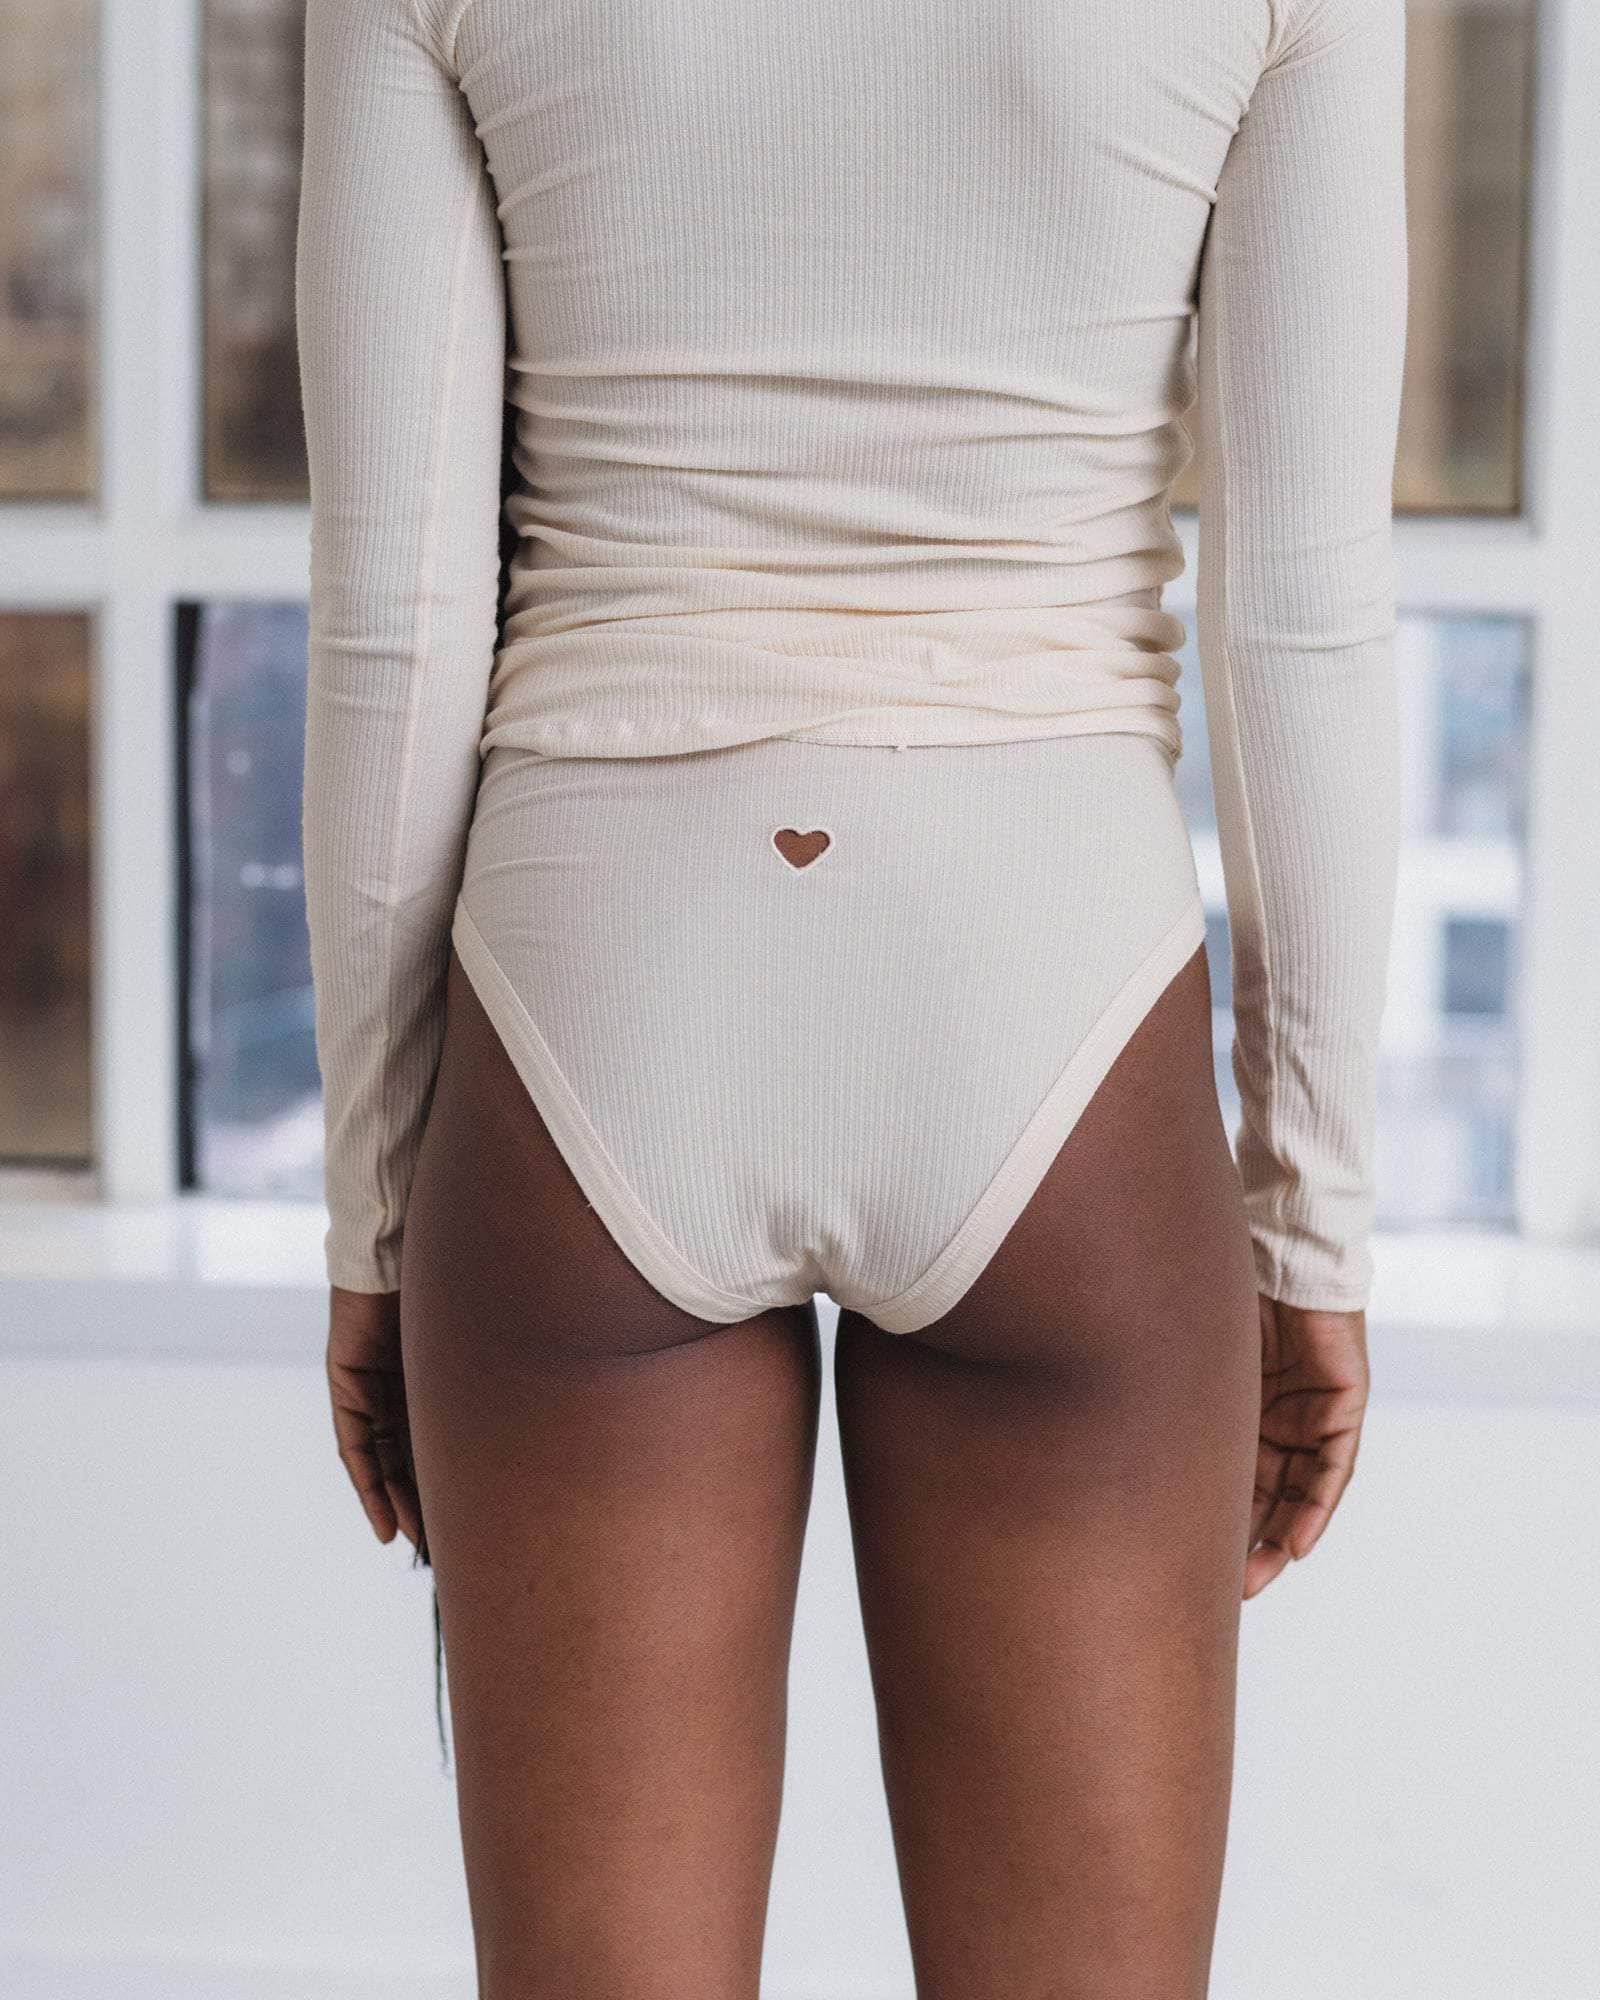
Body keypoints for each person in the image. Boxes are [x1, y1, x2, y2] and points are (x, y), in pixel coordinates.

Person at [295, 0, 1407, 1991]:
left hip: (596, 995)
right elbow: (1302, 618)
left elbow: (393, 617)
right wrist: (1306, 1216)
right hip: (1043, 991)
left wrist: (378, 1213)